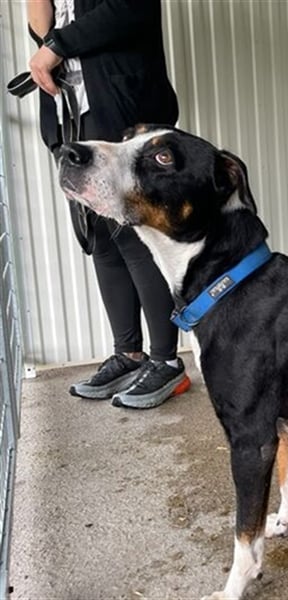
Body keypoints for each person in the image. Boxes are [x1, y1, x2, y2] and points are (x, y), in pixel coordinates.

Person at [26, 0, 190, 409]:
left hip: (122, 107)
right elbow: (41, 32)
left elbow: (130, 10)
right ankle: (128, 354)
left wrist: (57, 46)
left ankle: (166, 362)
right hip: (72, 111)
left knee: (135, 236)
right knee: (100, 236)